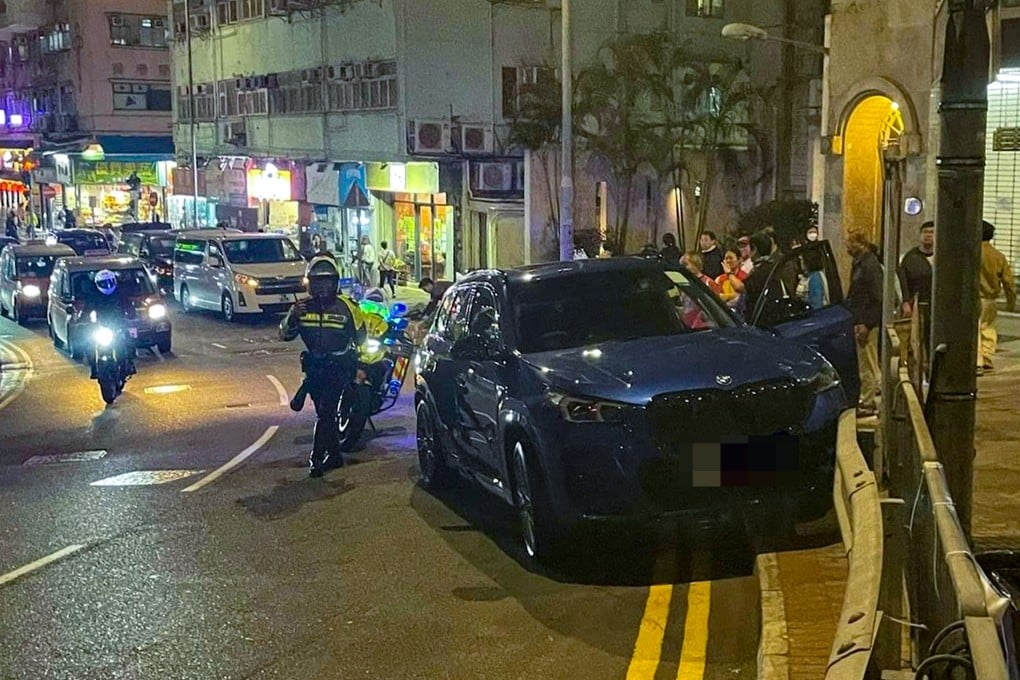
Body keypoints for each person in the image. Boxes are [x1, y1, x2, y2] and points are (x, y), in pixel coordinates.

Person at [280, 256, 368, 478]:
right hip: (314, 370)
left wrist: (359, 365)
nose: (322, 286)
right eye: (317, 282)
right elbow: (284, 334)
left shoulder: (347, 307)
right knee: (323, 413)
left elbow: (362, 338)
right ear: (310, 283)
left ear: (335, 283)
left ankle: (316, 459)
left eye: (327, 281)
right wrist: (292, 317)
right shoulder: (302, 308)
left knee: (326, 412)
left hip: (338, 368)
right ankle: (335, 456)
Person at [844, 231, 883, 417]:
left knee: (866, 363)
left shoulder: (869, 264)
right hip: (860, 319)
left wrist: (866, 323)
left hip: (866, 322)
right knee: (868, 361)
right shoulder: (860, 263)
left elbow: (875, 296)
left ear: (861, 243)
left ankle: (868, 402)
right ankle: (870, 398)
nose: (847, 246)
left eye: (850, 242)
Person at [977, 220, 1016, 374]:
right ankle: (986, 357)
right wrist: (1011, 301)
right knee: (988, 328)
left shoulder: (969, 253)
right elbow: (1009, 282)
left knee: (974, 329)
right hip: (990, 298)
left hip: (972, 298)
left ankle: (977, 361)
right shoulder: (997, 256)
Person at [86, 270, 137, 379]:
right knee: (89, 343)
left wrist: (131, 315)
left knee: (128, 340)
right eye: (104, 283)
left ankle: (129, 364)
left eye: (110, 282)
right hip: (101, 326)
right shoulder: (94, 296)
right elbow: (87, 309)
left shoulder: (120, 294)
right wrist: (83, 319)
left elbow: (128, 306)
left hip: (118, 325)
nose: (107, 285)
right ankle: (94, 367)